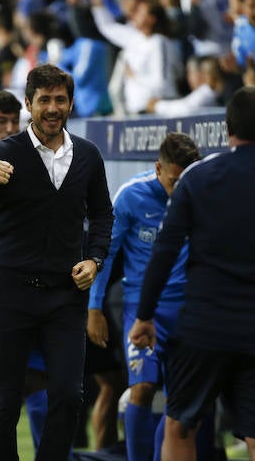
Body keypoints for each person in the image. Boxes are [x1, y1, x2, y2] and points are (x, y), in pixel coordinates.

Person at [129, 86, 255, 461]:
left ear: (228, 129)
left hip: (204, 327)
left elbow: (164, 252)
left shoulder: (197, 178)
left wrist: (144, 315)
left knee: (180, 427)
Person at [0, 64, 114, 461]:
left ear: (71, 104)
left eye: (60, 99)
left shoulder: (88, 155)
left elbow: (102, 215)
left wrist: (95, 260)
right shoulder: (2, 153)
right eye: (44, 100)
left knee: (69, 395)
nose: (52, 108)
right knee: (4, 403)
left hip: (65, 297)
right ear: (29, 104)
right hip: (11, 296)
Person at [88, 133, 204, 461]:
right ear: (158, 168)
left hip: (189, 311)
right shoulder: (131, 196)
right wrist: (94, 307)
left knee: (186, 399)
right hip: (141, 311)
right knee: (141, 388)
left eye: (186, 181)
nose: (179, 189)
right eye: (173, 181)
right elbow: (106, 254)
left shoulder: (201, 195)